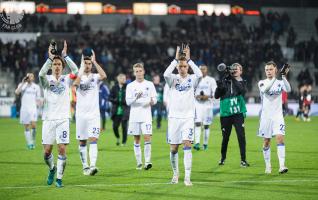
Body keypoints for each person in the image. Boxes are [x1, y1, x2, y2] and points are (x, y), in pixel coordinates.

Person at [39, 41, 78, 187]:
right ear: (51, 66)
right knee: (47, 152)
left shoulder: (67, 79)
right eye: (54, 64)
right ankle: (52, 168)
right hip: (48, 119)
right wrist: (50, 58)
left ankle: (59, 179)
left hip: (63, 119)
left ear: (62, 67)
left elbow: (76, 71)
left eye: (58, 64)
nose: (56, 66)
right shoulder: (46, 80)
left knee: (62, 148)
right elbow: (40, 73)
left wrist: (65, 56)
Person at [164, 45, 202, 186]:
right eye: (180, 66)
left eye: (184, 66)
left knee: (187, 145)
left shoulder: (193, 79)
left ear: (188, 67)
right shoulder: (172, 79)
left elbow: (200, 74)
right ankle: (175, 174)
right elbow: (165, 74)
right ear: (177, 67)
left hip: (188, 117)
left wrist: (190, 60)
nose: (182, 68)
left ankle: (187, 177)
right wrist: (175, 59)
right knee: (174, 148)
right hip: (174, 118)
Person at [73, 50, 107, 176]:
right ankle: (85, 166)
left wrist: (95, 62)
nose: (87, 65)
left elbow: (104, 76)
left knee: (93, 139)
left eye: (89, 63)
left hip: (94, 115)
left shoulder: (95, 77)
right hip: (81, 115)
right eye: (85, 63)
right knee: (82, 142)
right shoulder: (78, 76)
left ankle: (92, 165)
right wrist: (80, 70)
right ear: (82, 64)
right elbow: (75, 85)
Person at [257, 61, 291, 174]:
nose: (268, 71)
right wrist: (275, 79)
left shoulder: (280, 83)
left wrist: (283, 77)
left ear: (275, 70)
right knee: (266, 141)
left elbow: (288, 89)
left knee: (280, 138)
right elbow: (265, 90)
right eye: (267, 70)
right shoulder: (261, 82)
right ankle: (268, 166)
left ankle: (282, 165)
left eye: (271, 69)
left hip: (278, 116)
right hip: (265, 117)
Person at [214, 63, 249, 167]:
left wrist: (231, 78)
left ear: (241, 71)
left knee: (241, 137)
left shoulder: (243, 82)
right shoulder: (225, 81)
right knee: (225, 138)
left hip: (238, 114)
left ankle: (243, 160)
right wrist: (220, 86)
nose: (233, 70)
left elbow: (242, 91)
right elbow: (216, 96)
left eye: (236, 69)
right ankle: (222, 158)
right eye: (232, 69)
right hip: (225, 114)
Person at [126, 63, 157, 170]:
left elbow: (155, 99)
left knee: (147, 137)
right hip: (134, 116)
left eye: (140, 71)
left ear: (143, 71)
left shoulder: (150, 84)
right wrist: (136, 98)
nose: (139, 73)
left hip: (146, 116)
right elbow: (128, 102)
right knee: (137, 139)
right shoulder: (130, 86)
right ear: (134, 73)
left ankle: (147, 162)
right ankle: (139, 162)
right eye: (136, 71)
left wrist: (152, 101)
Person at [193, 65, 217, 151]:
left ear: (207, 70)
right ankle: (197, 143)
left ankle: (205, 144)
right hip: (197, 104)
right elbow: (191, 92)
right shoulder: (195, 79)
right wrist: (196, 96)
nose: (202, 71)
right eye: (200, 69)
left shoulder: (211, 80)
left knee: (206, 125)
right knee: (197, 123)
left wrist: (208, 96)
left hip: (208, 105)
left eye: (204, 69)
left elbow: (215, 93)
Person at [15, 73, 41, 150]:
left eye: (31, 76)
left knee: (33, 125)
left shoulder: (36, 87)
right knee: (26, 127)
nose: (30, 77)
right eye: (28, 76)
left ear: (33, 78)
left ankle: (33, 141)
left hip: (33, 109)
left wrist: (38, 106)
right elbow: (16, 92)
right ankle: (29, 144)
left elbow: (38, 98)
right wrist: (23, 82)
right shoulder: (22, 85)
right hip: (24, 109)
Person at [109, 73, 130, 146]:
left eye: (125, 79)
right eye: (122, 79)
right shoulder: (114, 88)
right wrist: (116, 100)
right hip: (116, 111)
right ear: (118, 79)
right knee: (115, 127)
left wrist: (125, 101)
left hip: (125, 110)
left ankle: (124, 142)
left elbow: (130, 98)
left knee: (124, 127)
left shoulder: (128, 87)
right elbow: (109, 97)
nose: (124, 80)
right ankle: (118, 137)